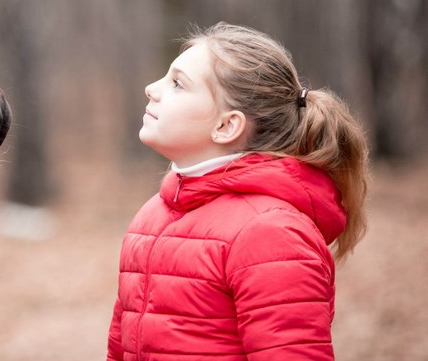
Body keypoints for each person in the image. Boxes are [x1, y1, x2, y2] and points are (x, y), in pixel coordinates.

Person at [106, 22, 369, 361]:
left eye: (177, 84)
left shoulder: (272, 234)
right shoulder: (151, 217)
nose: (151, 89)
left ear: (226, 126)